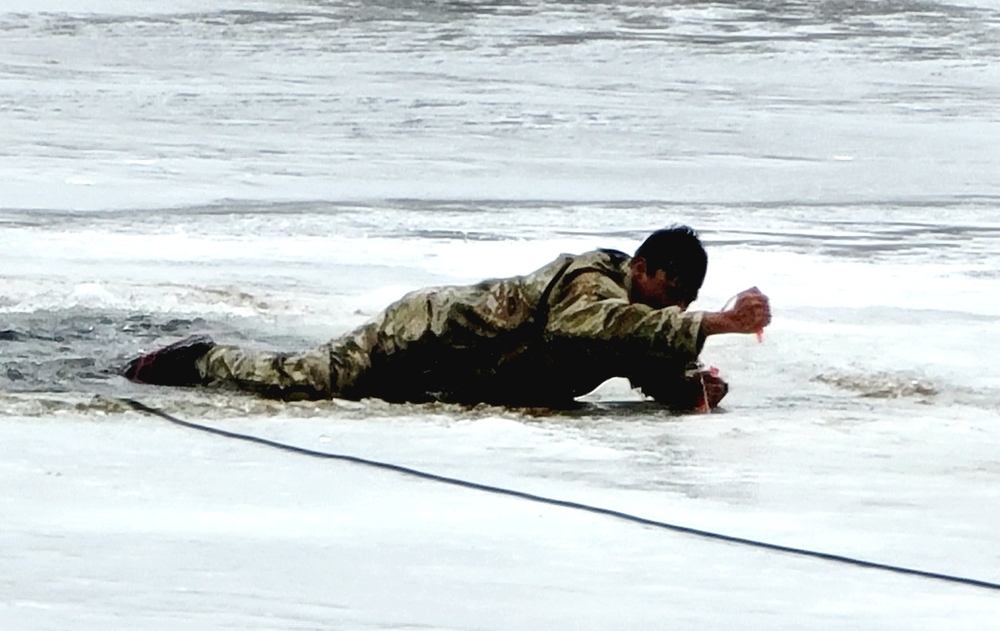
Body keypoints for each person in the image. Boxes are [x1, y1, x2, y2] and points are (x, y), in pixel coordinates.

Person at [124, 226, 771, 412]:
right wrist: (717, 324)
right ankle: (201, 358)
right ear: (644, 268)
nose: (671, 309)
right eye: (670, 293)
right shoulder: (591, 285)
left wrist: (690, 386)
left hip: (453, 373)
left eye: (683, 303)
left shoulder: (637, 314)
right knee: (310, 380)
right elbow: (598, 331)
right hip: (424, 331)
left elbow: (645, 355)